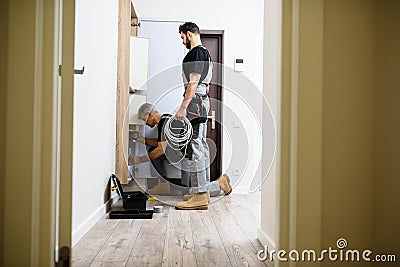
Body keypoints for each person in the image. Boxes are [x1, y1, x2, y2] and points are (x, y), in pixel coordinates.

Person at [174, 22, 232, 210]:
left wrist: (183, 106)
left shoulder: (196, 52)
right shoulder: (206, 53)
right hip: (200, 100)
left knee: (196, 146)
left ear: (189, 34)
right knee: (200, 145)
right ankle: (205, 189)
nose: (182, 41)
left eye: (182, 37)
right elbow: (206, 86)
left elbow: (194, 82)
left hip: (195, 102)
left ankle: (200, 195)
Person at [130, 103, 173, 195]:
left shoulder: (164, 122)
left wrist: (140, 159)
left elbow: (161, 149)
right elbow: (160, 143)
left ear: (150, 115)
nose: (145, 123)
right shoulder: (165, 118)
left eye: (144, 119)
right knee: (154, 150)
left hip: (180, 153)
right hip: (175, 150)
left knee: (154, 153)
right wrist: (140, 139)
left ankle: (163, 185)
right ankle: (163, 184)